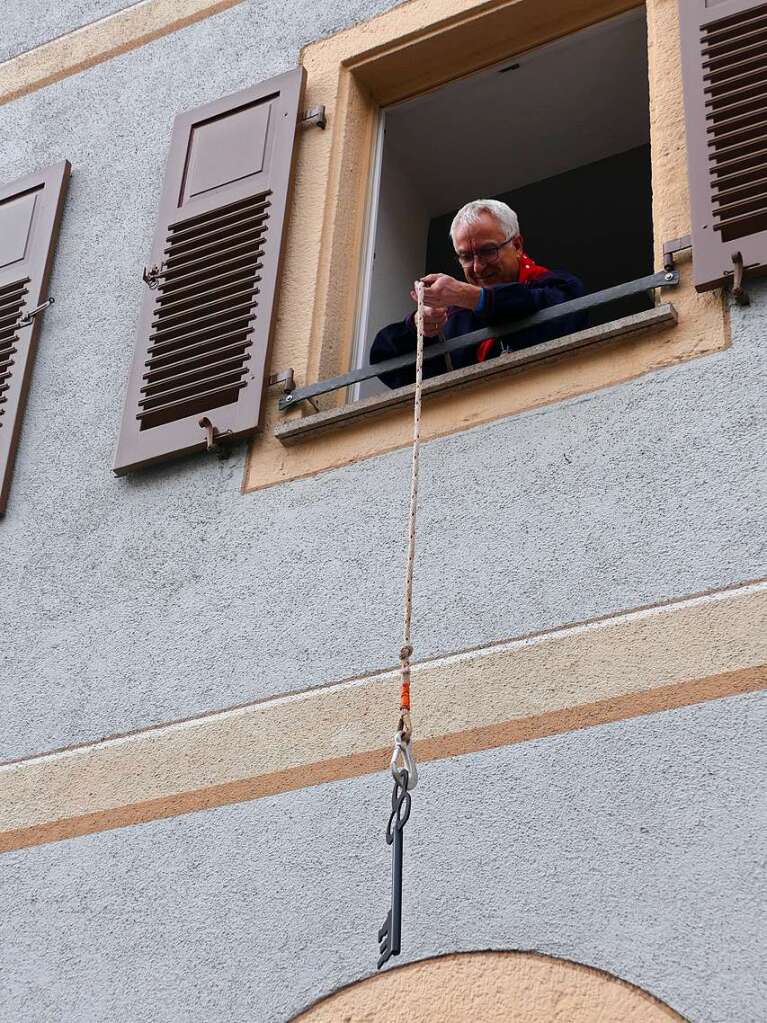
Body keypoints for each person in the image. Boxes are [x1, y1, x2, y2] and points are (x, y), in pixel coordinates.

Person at [370, 199, 586, 389]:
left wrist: (473, 297)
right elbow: (384, 361)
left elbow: (565, 317)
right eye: (466, 256)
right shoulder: (454, 315)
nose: (478, 267)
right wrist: (419, 325)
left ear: (517, 245)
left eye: (488, 251)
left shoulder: (555, 285)